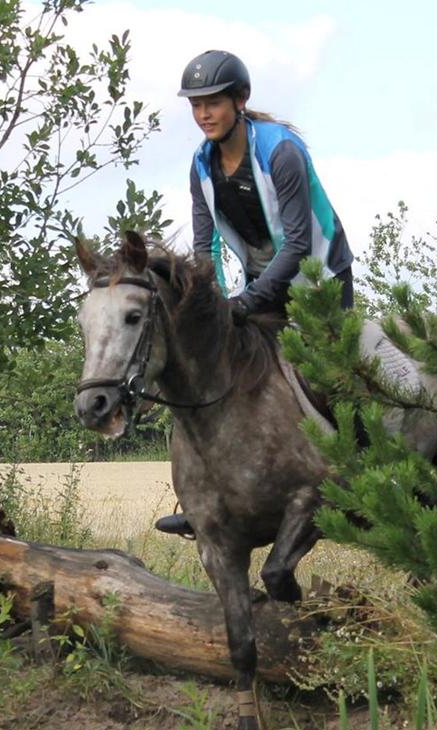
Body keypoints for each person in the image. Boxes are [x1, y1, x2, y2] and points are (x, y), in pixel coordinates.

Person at [155, 49, 355, 539]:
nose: (204, 113)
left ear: (239, 100)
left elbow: (299, 246)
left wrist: (245, 302)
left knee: (333, 374)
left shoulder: (281, 151)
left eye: (214, 103)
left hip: (319, 277)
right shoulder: (201, 167)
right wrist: (211, 306)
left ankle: (366, 474)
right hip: (263, 280)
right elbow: (204, 248)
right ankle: (201, 497)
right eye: (196, 104)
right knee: (203, 370)